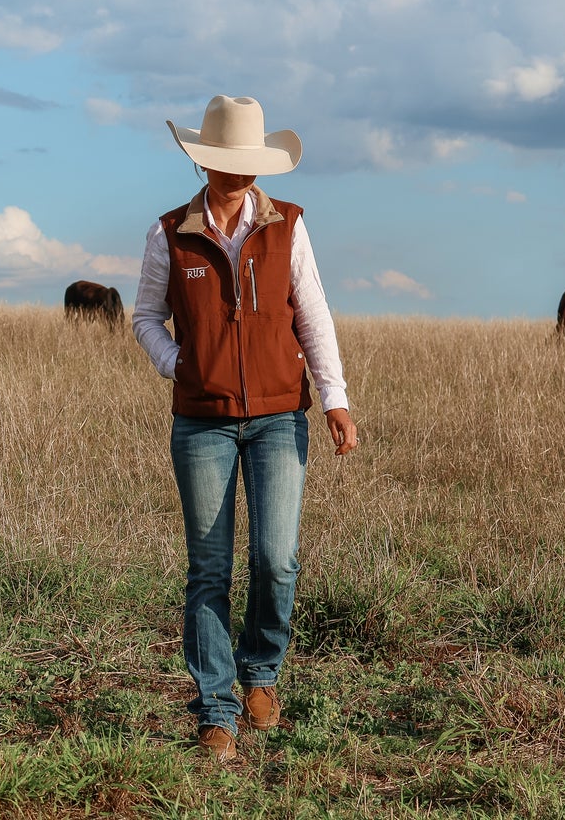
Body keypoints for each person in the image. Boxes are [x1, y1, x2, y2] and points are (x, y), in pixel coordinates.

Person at [130, 94, 358, 764]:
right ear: (204, 162)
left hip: (280, 416)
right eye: (225, 162)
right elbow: (145, 315)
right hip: (201, 422)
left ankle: (260, 673)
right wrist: (180, 363)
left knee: (275, 557)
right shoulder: (169, 232)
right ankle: (216, 709)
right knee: (208, 568)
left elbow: (312, 314)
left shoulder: (288, 226)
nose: (238, 173)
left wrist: (335, 399)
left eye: (247, 163)